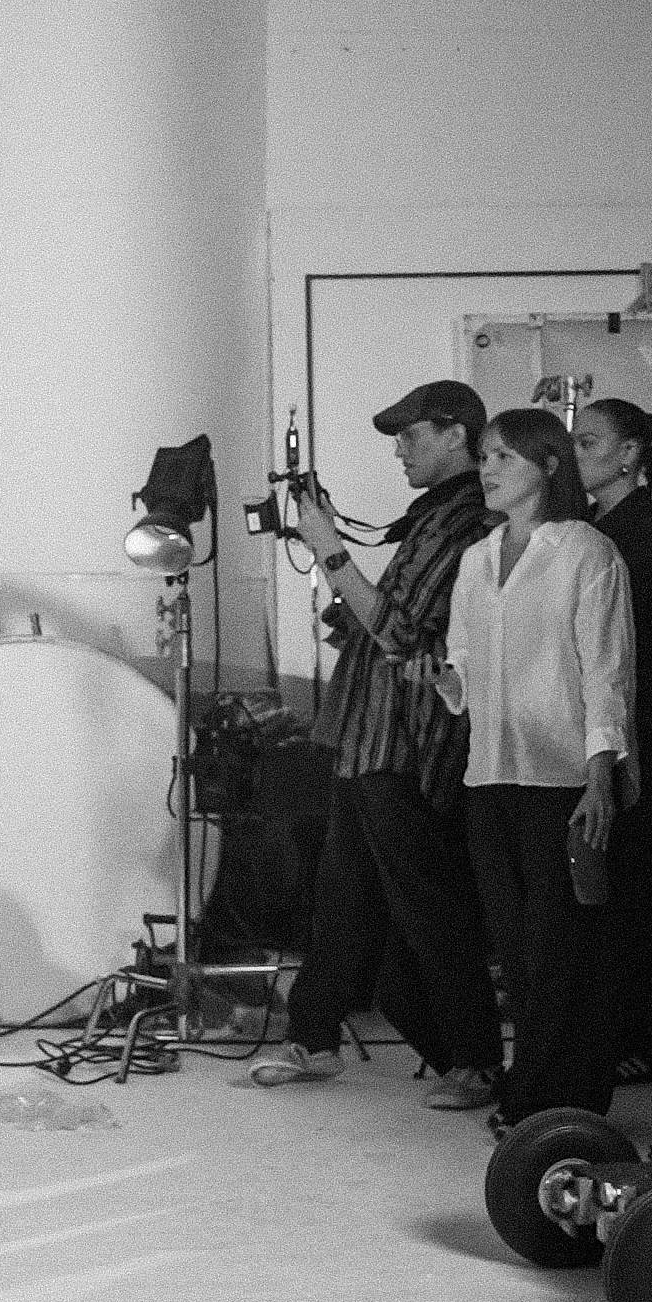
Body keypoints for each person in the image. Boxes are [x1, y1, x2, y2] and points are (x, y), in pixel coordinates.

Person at [245, 381, 500, 1108]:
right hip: (368, 738)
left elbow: (401, 632)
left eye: (412, 436)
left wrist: (330, 551)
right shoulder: (434, 518)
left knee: (429, 911)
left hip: (405, 744)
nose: (399, 451)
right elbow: (381, 624)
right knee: (342, 901)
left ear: (456, 435)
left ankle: (475, 1061)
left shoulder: (466, 523)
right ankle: (314, 1036)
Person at [436, 408, 632, 1125]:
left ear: (548, 466)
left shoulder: (586, 551)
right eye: (485, 455)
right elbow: (462, 666)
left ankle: (549, 1097)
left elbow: (605, 669)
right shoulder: (476, 558)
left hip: (564, 777)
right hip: (490, 774)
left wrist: (602, 775)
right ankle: (543, 1090)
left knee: (560, 945)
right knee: (517, 948)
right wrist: (443, 680)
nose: (487, 469)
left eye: (504, 457)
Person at [574, 398, 652, 1086]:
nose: (577, 454)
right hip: (604, 722)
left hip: (647, 724)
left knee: (645, 887)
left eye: (590, 442)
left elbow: (634, 626)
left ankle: (646, 1036)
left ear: (630, 455)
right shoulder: (586, 526)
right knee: (605, 886)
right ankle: (606, 1026)